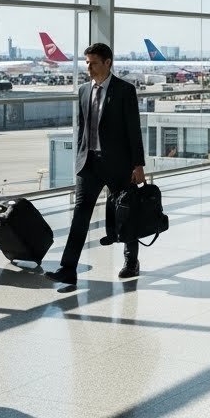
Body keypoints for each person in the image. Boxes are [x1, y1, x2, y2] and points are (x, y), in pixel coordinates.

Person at [46, 43, 146, 287]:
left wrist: (138, 165)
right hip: (89, 163)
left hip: (118, 164)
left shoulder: (124, 91)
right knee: (80, 214)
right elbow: (82, 128)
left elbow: (134, 130)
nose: (88, 68)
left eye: (93, 63)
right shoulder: (82, 90)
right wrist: (80, 157)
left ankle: (131, 261)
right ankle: (68, 268)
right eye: (87, 63)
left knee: (125, 212)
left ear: (108, 63)